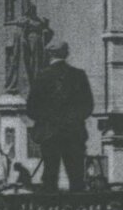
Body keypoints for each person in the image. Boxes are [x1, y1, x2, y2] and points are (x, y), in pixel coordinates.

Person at [26, 41, 93, 192]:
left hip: (49, 134)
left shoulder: (42, 76)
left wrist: (49, 119)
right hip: (74, 133)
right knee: (76, 177)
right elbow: (88, 106)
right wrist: (71, 119)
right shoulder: (79, 75)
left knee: (50, 176)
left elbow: (31, 109)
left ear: (49, 55)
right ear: (66, 54)